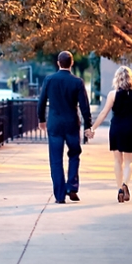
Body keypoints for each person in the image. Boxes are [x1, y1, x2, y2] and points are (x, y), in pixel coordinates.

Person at [37, 51, 93, 204]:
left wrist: (41, 119)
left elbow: (41, 102)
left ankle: (60, 195)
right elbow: (84, 106)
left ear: (58, 63)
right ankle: (72, 187)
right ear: (72, 63)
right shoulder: (77, 82)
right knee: (74, 154)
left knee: (56, 159)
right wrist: (88, 125)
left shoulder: (49, 80)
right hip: (71, 124)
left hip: (54, 124)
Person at [89, 66, 132, 203]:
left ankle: (119, 188)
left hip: (116, 128)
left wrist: (93, 128)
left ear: (117, 78)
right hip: (131, 128)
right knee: (129, 162)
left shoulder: (112, 94)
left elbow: (104, 113)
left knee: (117, 161)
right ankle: (125, 184)